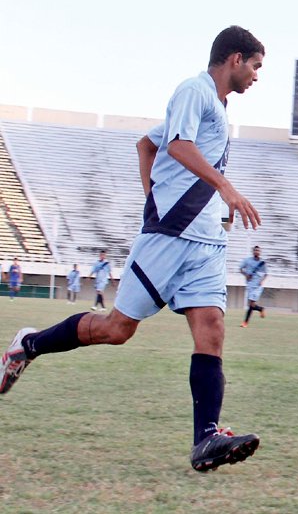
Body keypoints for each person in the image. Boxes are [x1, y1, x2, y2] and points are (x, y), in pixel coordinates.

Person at [1, 25, 265, 472]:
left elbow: (147, 142)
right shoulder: (194, 91)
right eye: (256, 66)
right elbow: (172, 144)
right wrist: (211, 190)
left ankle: (205, 440)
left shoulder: (217, 109)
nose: (257, 77)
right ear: (235, 59)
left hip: (205, 242)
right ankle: (29, 344)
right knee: (117, 328)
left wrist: (160, 192)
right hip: (168, 236)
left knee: (213, 329)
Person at [239, 245, 267, 328]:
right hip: (250, 284)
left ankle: (245, 322)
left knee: (251, 304)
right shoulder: (247, 261)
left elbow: (266, 274)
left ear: (260, 252)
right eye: (255, 250)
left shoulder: (262, 263)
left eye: (258, 251)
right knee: (251, 305)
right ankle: (261, 309)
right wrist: (246, 275)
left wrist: (262, 280)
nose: (257, 252)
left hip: (258, 286)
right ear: (253, 251)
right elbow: (240, 269)